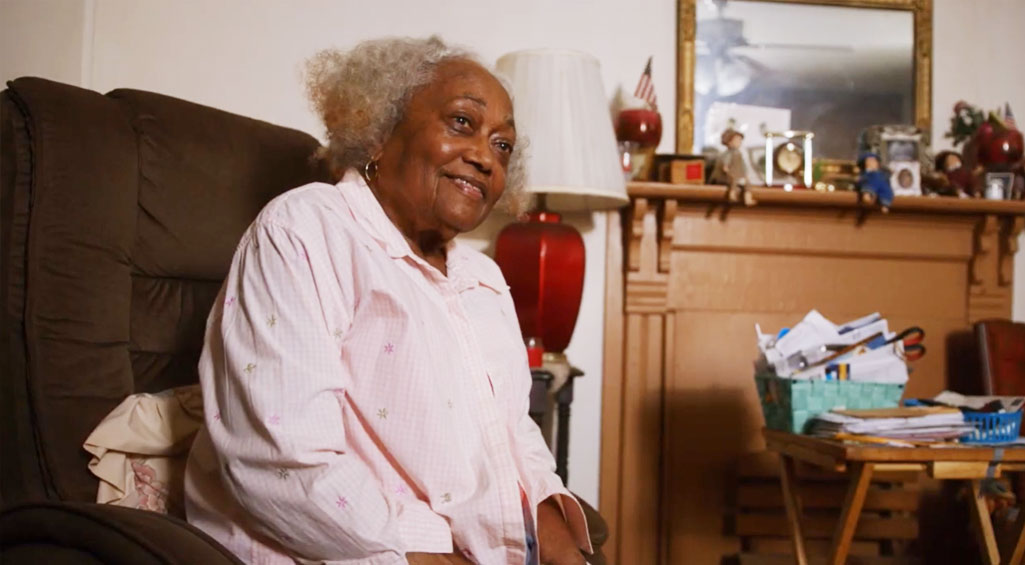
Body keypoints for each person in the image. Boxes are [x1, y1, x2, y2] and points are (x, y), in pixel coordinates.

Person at [184, 36, 591, 565]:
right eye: (462, 123)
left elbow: (510, 431)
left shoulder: (483, 278)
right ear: (378, 132)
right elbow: (284, 460)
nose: (485, 157)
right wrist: (434, 553)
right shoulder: (307, 229)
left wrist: (564, 551)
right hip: (337, 549)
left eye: (502, 145)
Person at [709, 128, 755, 206]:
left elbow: (742, 165)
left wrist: (745, 174)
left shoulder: (739, 153)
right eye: (737, 140)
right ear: (729, 142)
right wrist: (726, 169)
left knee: (747, 184)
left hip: (739, 174)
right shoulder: (728, 154)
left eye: (740, 140)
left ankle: (748, 199)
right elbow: (725, 163)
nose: (739, 142)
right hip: (730, 175)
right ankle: (732, 195)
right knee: (734, 181)